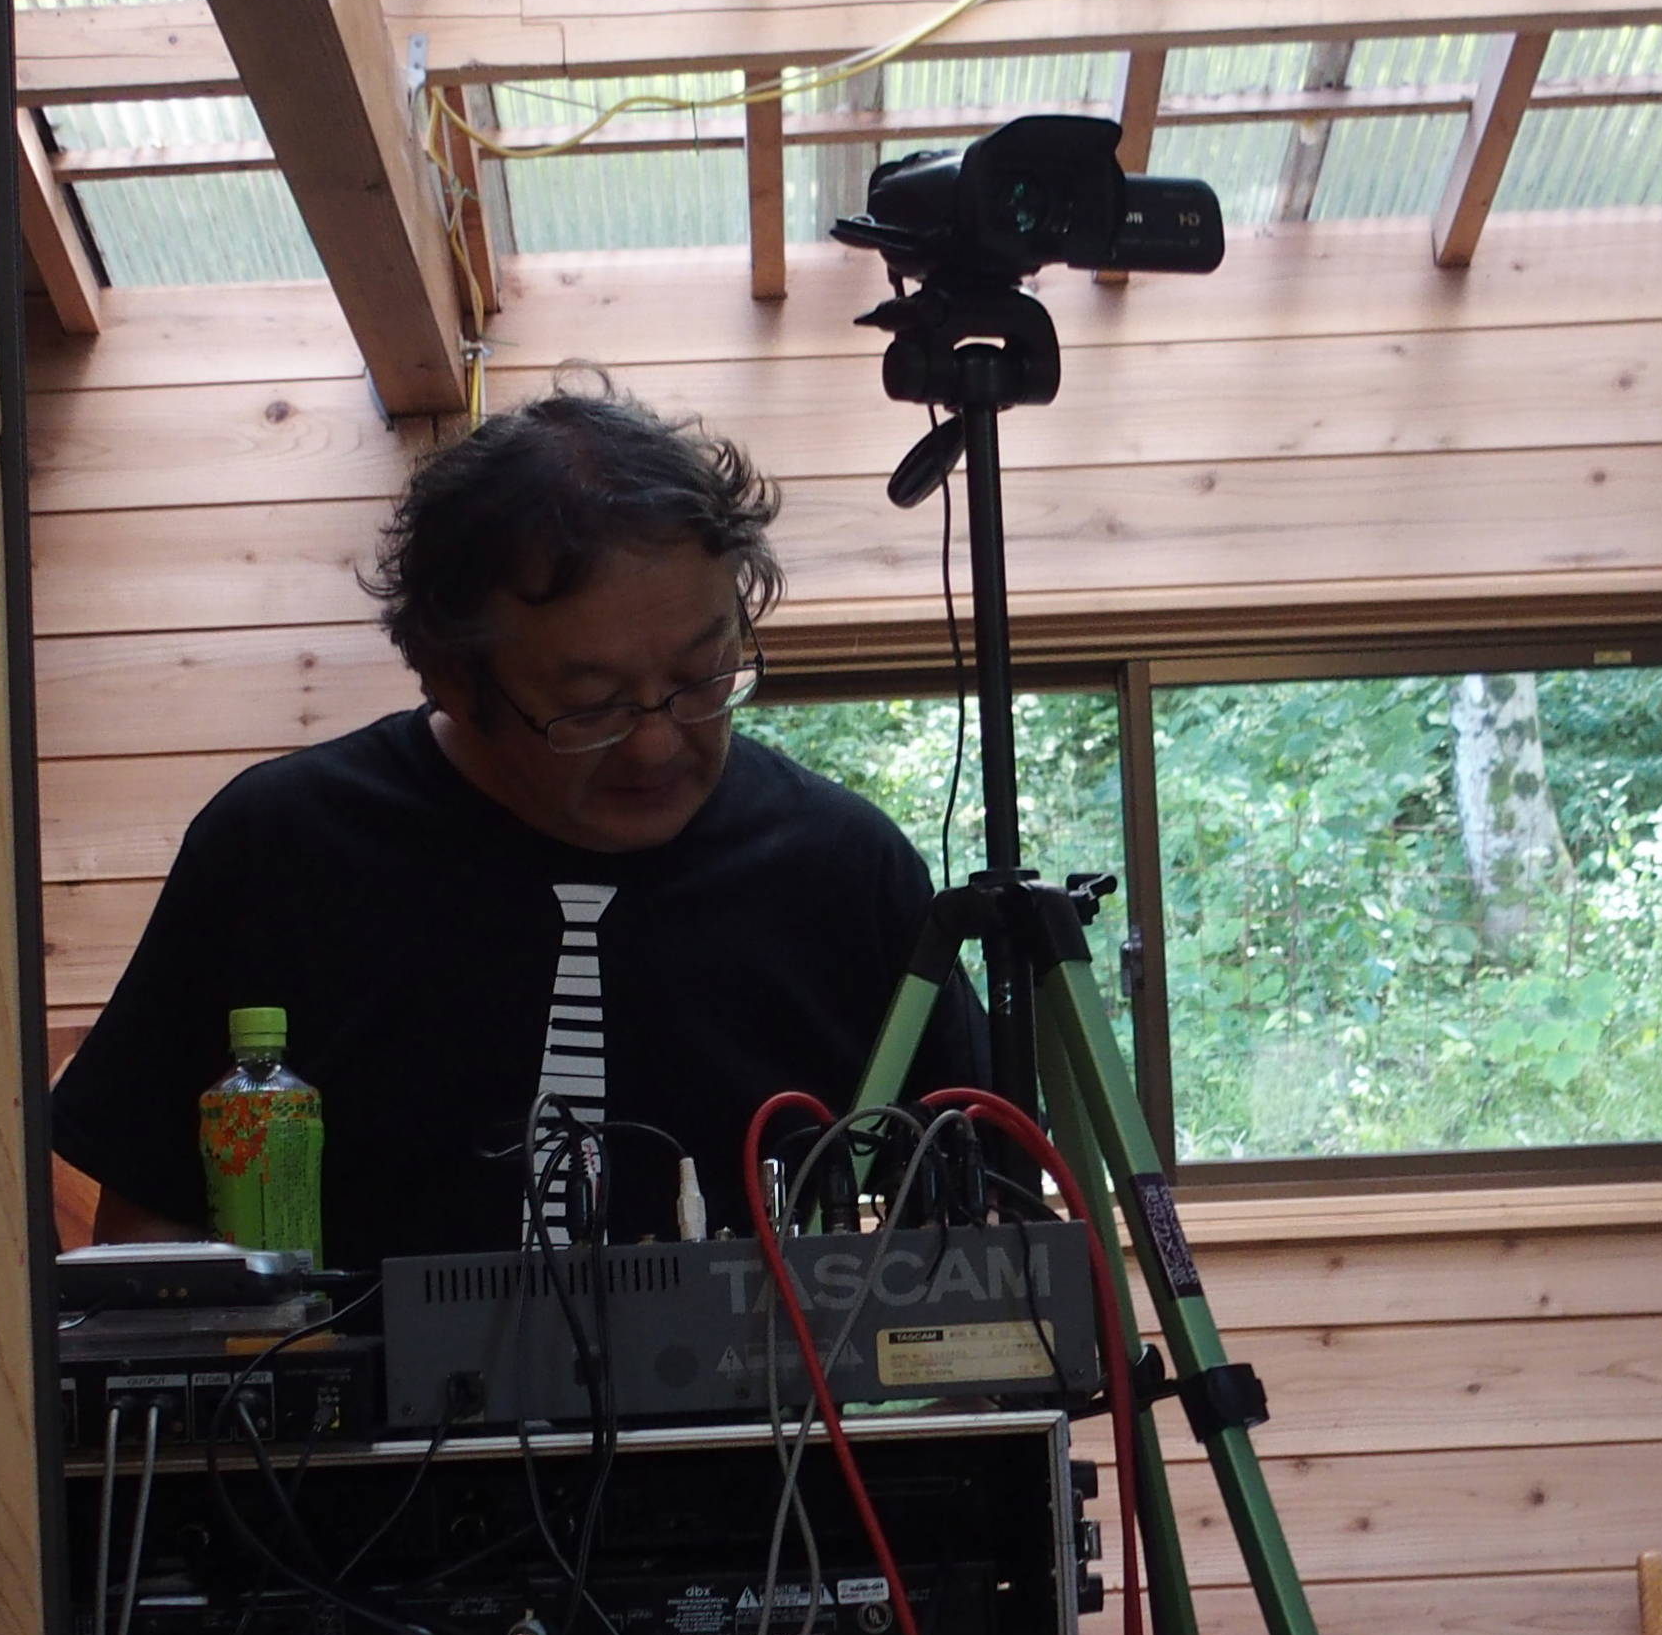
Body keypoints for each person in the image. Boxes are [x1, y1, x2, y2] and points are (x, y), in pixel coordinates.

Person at [52, 385, 977, 1270]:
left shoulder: (845, 869)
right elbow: (145, 1230)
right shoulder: (278, 851)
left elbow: (988, 1221)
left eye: (703, 677)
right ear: (452, 680)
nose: (658, 743)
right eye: (593, 706)